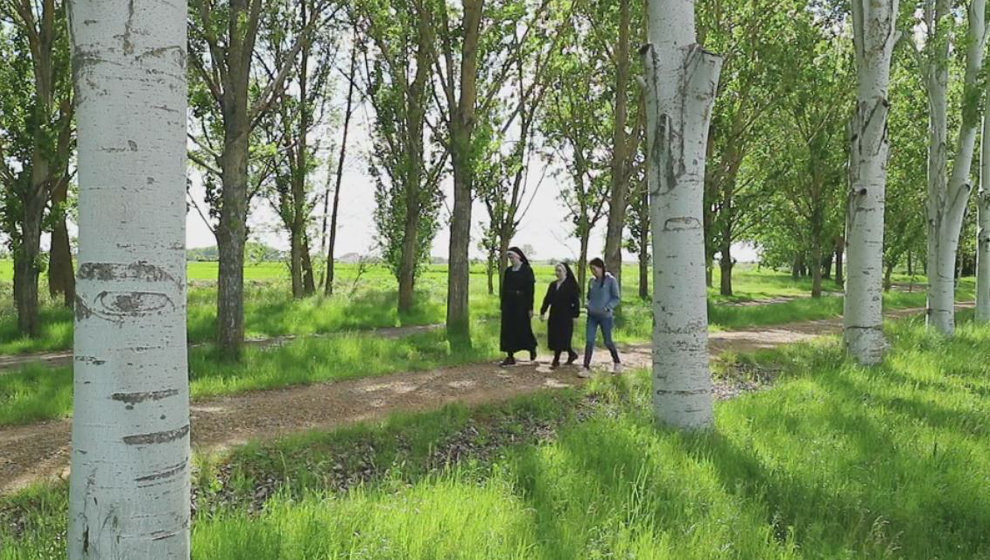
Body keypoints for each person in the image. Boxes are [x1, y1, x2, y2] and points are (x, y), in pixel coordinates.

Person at [580, 257, 621, 377]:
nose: (593, 271)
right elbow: (589, 296)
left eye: (594, 268)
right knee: (589, 340)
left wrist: (608, 307)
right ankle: (586, 367)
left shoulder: (610, 280)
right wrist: (588, 304)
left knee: (608, 341)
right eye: (591, 269)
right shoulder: (591, 281)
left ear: (601, 267)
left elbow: (616, 297)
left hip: (605, 317)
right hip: (592, 316)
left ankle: (617, 362)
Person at [499, 246, 538, 366]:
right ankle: (510, 356)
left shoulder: (526, 270)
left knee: (523, 327)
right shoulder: (508, 271)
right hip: (509, 304)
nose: (510, 259)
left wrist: (530, 307)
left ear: (518, 256)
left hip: (522, 304)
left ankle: (531, 348)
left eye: (512, 256)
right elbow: (504, 288)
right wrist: (502, 304)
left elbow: (530, 290)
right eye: (509, 257)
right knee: (508, 329)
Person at [539, 262, 580, 368]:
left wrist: (575, 315)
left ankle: (556, 360)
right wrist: (543, 311)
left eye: (559, 271)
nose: (557, 273)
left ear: (565, 272)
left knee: (563, 337)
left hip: (566, 315)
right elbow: (547, 299)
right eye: (556, 271)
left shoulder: (571, 285)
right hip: (554, 314)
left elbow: (575, 301)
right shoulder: (553, 285)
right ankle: (572, 354)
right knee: (555, 336)